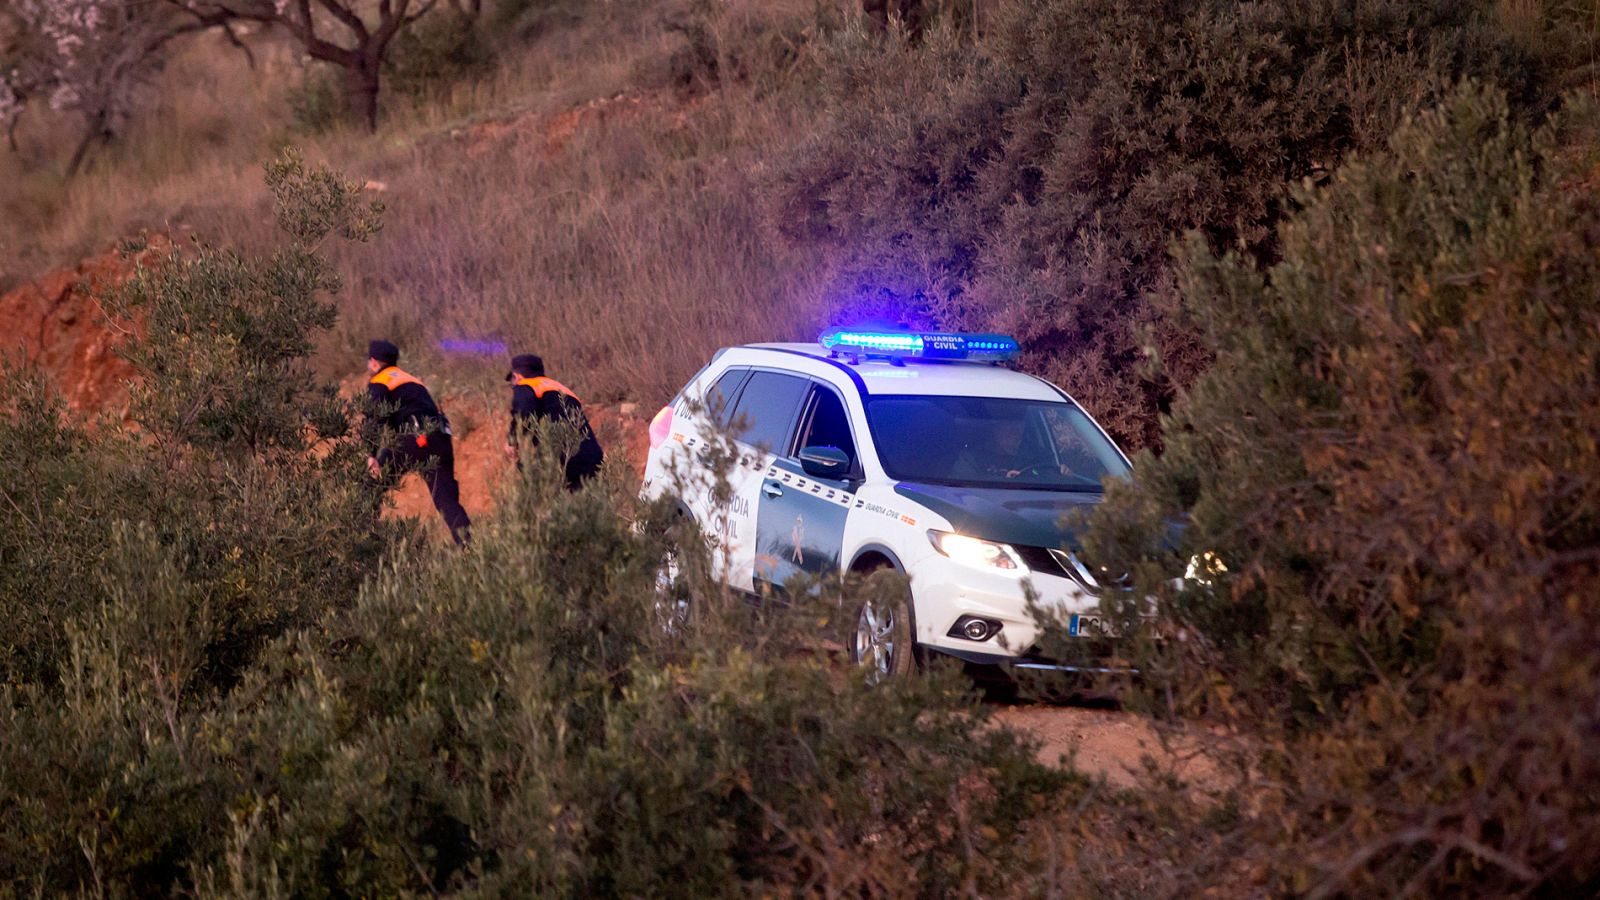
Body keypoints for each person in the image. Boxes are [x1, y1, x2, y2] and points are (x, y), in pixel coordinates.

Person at [364, 339, 472, 545]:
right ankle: (469, 546)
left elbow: (375, 417)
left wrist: (371, 454)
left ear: (375, 363)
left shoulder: (381, 381)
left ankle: (363, 541)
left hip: (414, 438)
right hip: (441, 439)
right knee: (447, 500)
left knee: (369, 486)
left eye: (369, 362)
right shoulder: (412, 380)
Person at [504, 353, 604, 490]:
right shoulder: (561, 389)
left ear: (517, 376)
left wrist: (512, 441)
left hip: (561, 457)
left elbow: (524, 411)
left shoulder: (527, 385)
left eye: (512, 382)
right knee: (587, 503)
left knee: (544, 497)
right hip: (591, 456)